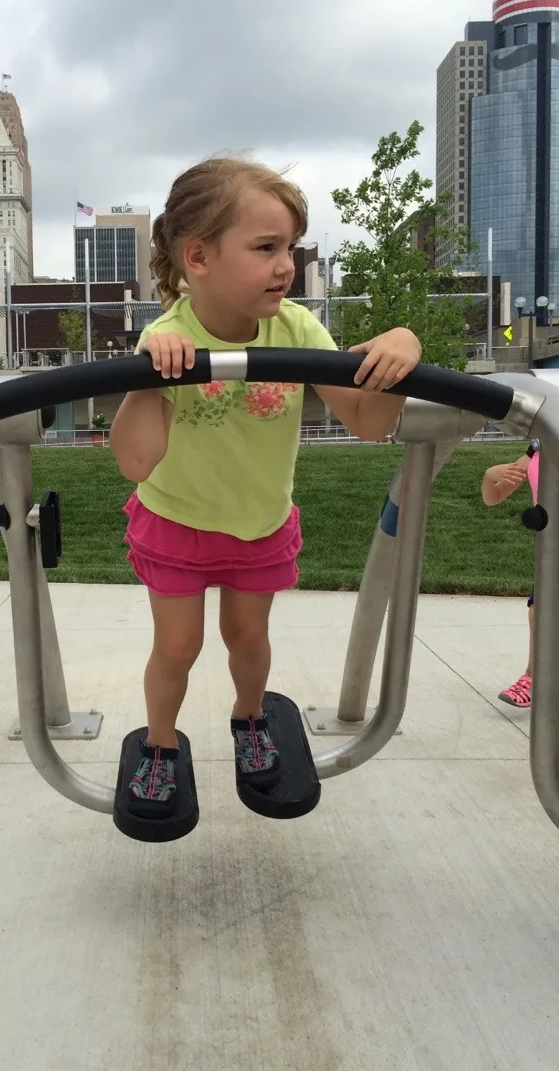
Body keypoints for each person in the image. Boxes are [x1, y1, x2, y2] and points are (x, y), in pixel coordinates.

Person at [109, 156, 422, 817]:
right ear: (199, 256)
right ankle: (160, 744)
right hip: (178, 523)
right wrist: (145, 383)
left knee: (248, 641)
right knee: (177, 646)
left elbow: (366, 423)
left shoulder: (298, 331)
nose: (287, 265)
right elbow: (135, 462)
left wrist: (399, 355)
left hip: (258, 523)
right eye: (266, 248)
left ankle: (251, 719)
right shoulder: (167, 338)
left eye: (292, 248)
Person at [480, 445, 559, 707]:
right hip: (553, 546)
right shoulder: (539, 446)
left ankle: (532, 678)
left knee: (543, 607)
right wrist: (491, 475)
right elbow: (494, 495)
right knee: (558, 616)